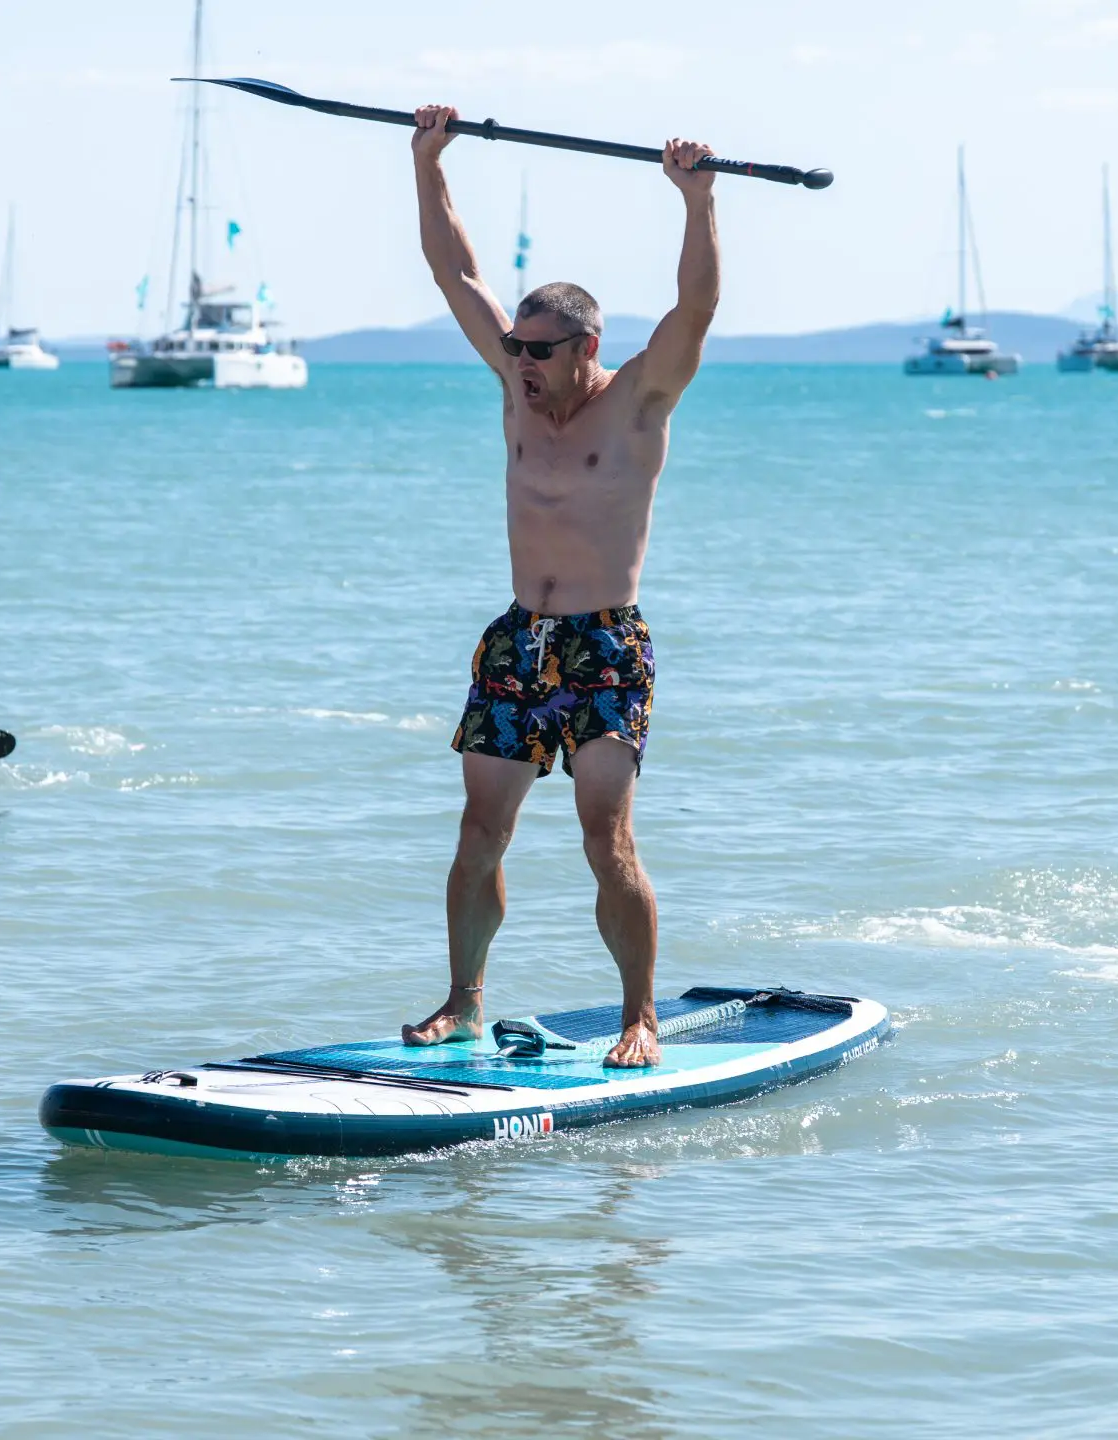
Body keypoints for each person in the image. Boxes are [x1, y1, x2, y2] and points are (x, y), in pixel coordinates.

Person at [399, 104, 723, 1068]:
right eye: (513, 348)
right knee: (478, 829)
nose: (518, 363)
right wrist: (429, 163)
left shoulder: (637, 404)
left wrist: (696, 201)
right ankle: (462, 1002)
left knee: (603, 836)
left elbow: (695, 312)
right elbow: (456, 273)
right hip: (518, 641)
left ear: (584, 347)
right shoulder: (513, 388)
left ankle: (641, 1018)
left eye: (536, 351)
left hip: (604, 648)